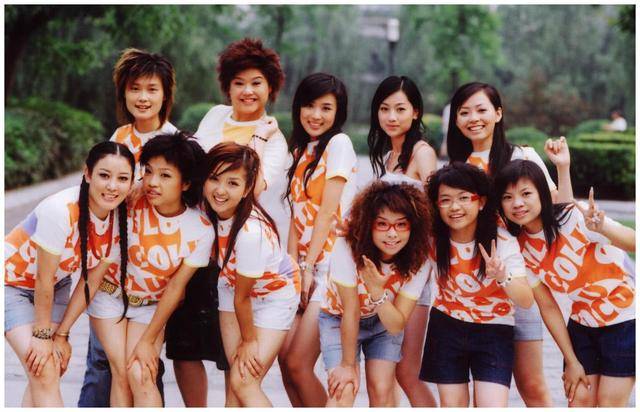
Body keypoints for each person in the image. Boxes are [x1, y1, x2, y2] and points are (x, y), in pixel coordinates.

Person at [446, 81, 571, 406]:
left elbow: (558, 209)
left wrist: (562, 168)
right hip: (476, 287)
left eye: (481, 110)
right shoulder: (457, 167)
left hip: (521, 278)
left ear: (498, 113)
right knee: (485, 390)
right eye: (464, 112)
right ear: (456, 120)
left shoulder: (521, 156)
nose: (474, 118)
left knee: (532, 385)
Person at [79, 47, 177, 407]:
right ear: (123, 93)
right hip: (110, 266)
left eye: (152, 89)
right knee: (100, 362)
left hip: (153, 274)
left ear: (165, 94)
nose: (143, 97)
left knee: (144, 366)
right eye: (135, 88)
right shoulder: (119, 136)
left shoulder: (177, 142)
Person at [495, 159, 635, 407]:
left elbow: (634, 242)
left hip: (625, 321)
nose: (517, 203)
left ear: (542, 192)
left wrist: (603, 228)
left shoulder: (576, 216)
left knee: (609, 402)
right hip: (582, 326)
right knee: (579, 400)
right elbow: (548, 307)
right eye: (507, 197)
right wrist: (571, 360)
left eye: (526, 193)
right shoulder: (520, 249)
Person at [87, 132, 213, 407]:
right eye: (148, 171)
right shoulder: (130, 199)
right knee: (121, 373)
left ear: (186, 183)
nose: (153, 182)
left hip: (150, 306)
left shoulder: (201, 229)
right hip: (109, 296)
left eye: (165, 176)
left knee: (140, 373)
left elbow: (176, 288)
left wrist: (148, 340)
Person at [5, 141, 134, 407]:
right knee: (44, 367)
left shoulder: (119, 221)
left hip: (56, 284)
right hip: (10, 283)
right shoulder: (61, 210)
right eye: (104, 175)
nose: (112, 186)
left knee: (45, 369)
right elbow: (42, 278)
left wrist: (62, 335)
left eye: (123, 179)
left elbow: (91, 281)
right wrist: (42, 336)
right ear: (87, 174)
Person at [419, 162, 534, 407]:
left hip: (494, 329)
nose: (455, 207)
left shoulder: (501, 241)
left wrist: (502, 276)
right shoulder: (432, 238)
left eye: (464, 198)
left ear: (481, 202)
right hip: (446, 326)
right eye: (446, 200)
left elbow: (525, 299)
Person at [202, 142, 300, 406]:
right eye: (214, 179)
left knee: (243, 381)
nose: (220, 190)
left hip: (274, 295)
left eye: (233, 183)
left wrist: (249, 341)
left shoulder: (250, 233)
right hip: (231, 286)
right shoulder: (208, 208)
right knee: (235, 387)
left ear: (246, 190)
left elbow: (243, 298)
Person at [281, 72, 358, 406]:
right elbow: (296, 217)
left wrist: (309, 268)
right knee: (285, 362)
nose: (316, 115)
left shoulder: (339, 145)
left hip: (329, 270)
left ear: (338, 113)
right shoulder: (300, 150)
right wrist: (292, 271)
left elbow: (327, 212)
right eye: (309, 105)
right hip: (302, 269)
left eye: (326, 108)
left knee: (298, 363)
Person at [320, 181, 432, 407]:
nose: (392, 234)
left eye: (401, 224)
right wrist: (347, 365)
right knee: (344, 388)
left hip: (383, 323)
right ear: (368, 224)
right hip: (340, 318)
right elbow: (351, 311)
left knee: (382, 389)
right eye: (382, 224)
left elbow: (396, 325)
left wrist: (377, 291)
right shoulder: (347, 246)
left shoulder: (419, 260)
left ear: (413, 226)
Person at [367, 75, 437, 407]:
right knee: (391, 371)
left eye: (400, 109)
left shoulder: (422, 154)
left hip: (415, 272)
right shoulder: (388, 156)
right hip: (389, 272)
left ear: (415, 111)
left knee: (407, 371)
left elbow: (436, 212)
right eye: (384, 109)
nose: (391, 117)